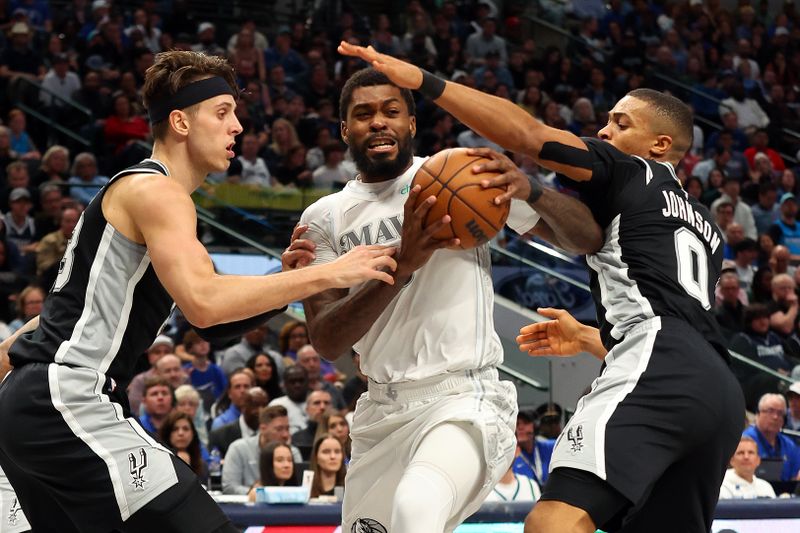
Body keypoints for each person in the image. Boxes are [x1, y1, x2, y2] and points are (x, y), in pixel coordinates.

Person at [337, 41, 741, 533]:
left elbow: (527, 134)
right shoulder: (704, 225)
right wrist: (597, 340)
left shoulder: (630, 170)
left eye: (620, 123)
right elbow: (675, 317)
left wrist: (423, 80)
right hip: (721, 390)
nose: (603, 130)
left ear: (659, 145)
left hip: (657, 359)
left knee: (551, 524)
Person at [0, 50, 399, 533]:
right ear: (180, 122)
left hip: (30, 408)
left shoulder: (145, 205)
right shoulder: (158, 192)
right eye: (222, 112)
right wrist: (330, 272)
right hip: (67, 398)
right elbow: (205, 304)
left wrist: (281, 279)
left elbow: (206, 321)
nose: (237, 127)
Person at [294, 64, 602, 533]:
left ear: (411, 123)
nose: (378, 122)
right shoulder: (324, 218)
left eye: (391, 111)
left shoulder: (462, 173)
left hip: (461, 398)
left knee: (416, 511)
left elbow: (586, 238)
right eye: (363, 114)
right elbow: (327, 340)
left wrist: (534, 190)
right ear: (345, 130)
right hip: (381, 410)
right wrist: (403, 264)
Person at [742, 393, 800, 482]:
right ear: (758, 413)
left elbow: (795, 477)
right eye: (770, 411)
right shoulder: (744, 441)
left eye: (780, 413)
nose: (775, 417)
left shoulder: (789, 445)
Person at [160, 410, 207, 478]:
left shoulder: (202, 466)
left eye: (186, 429)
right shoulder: (158, 463)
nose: (181, 433)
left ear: (192, 434)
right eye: (175, 429)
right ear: (167, 434)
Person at [309, 433, 346, 498]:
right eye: (326, 452)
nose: (333, 456)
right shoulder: (306, 490)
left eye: (337, 452)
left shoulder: (351, 489)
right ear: (316, 458)